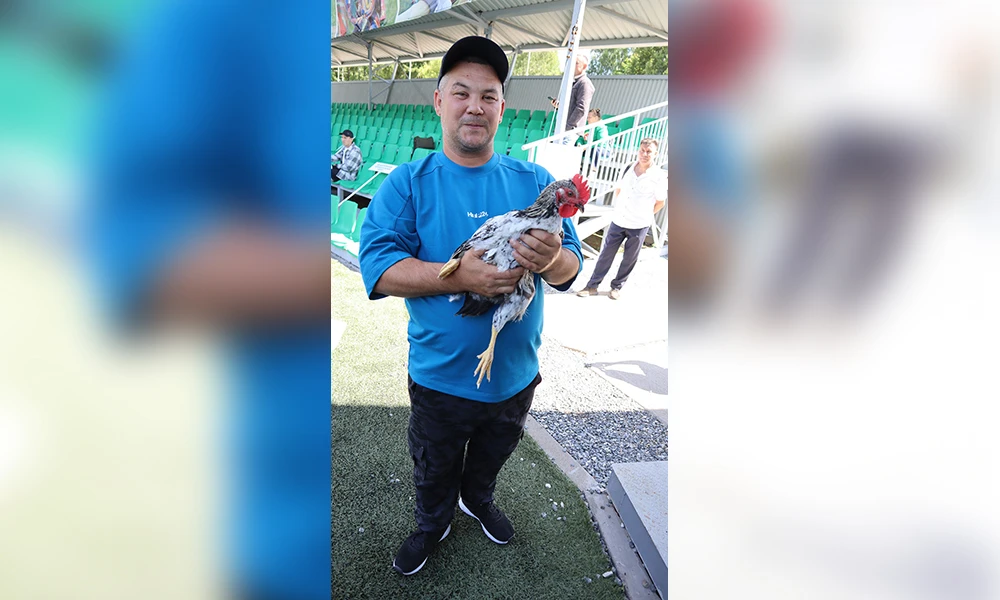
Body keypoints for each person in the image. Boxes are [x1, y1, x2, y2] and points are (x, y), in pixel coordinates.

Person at [358, 36, 584, 576]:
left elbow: (571, 269)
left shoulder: (534, 180)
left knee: (492, 456)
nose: (475, 106)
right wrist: (457, 275)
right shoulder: (408, 184)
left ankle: (476, 499)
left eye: (489, 96)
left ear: (503, 108)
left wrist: (552, 259)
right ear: (439, 101)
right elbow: (378, 268)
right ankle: (432, 521)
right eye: (461, 93)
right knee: (434, 464)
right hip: (440, 379)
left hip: (515, 377)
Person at [577, 138, 666, 300]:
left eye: (649, 152)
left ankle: (616, 287)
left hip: (639, 224)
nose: (644, 154)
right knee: (606, 255)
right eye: (642, 150)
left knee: (629, 258)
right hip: (619, 220)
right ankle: (592, 286)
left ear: (655, 154)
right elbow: (619, 190)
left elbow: (660, 202)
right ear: (638, 150)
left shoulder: (658, 176)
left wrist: (644, 213)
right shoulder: (627, 167)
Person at [550, 49, 595, 143]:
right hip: (564, 129)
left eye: (576, 63)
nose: (572, 66)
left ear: (584, 66)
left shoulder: (585, 83)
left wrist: (568, 126)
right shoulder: (572, 82)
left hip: (571, 131)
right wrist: (559, 106)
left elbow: (581, 108)